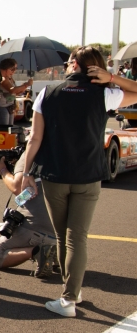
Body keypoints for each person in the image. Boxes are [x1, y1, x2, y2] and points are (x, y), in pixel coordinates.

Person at [21, 46, 137, 317]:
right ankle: (71, 295)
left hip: (54, 174)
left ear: (74, 65)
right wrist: (112, 78)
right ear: (95, 67)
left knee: (63, 236)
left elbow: (34, 139)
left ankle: (70, 295)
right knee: (77, 237)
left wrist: (26, 174)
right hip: (88, 175)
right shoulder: (105, 94)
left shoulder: (47, 94)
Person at [0, 153, 57, 277]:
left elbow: (17, 187)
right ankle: (58, 255)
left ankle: (37, 251)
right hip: (63, 232)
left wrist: (2, 170)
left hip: (36, 229)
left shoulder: (31, 154)